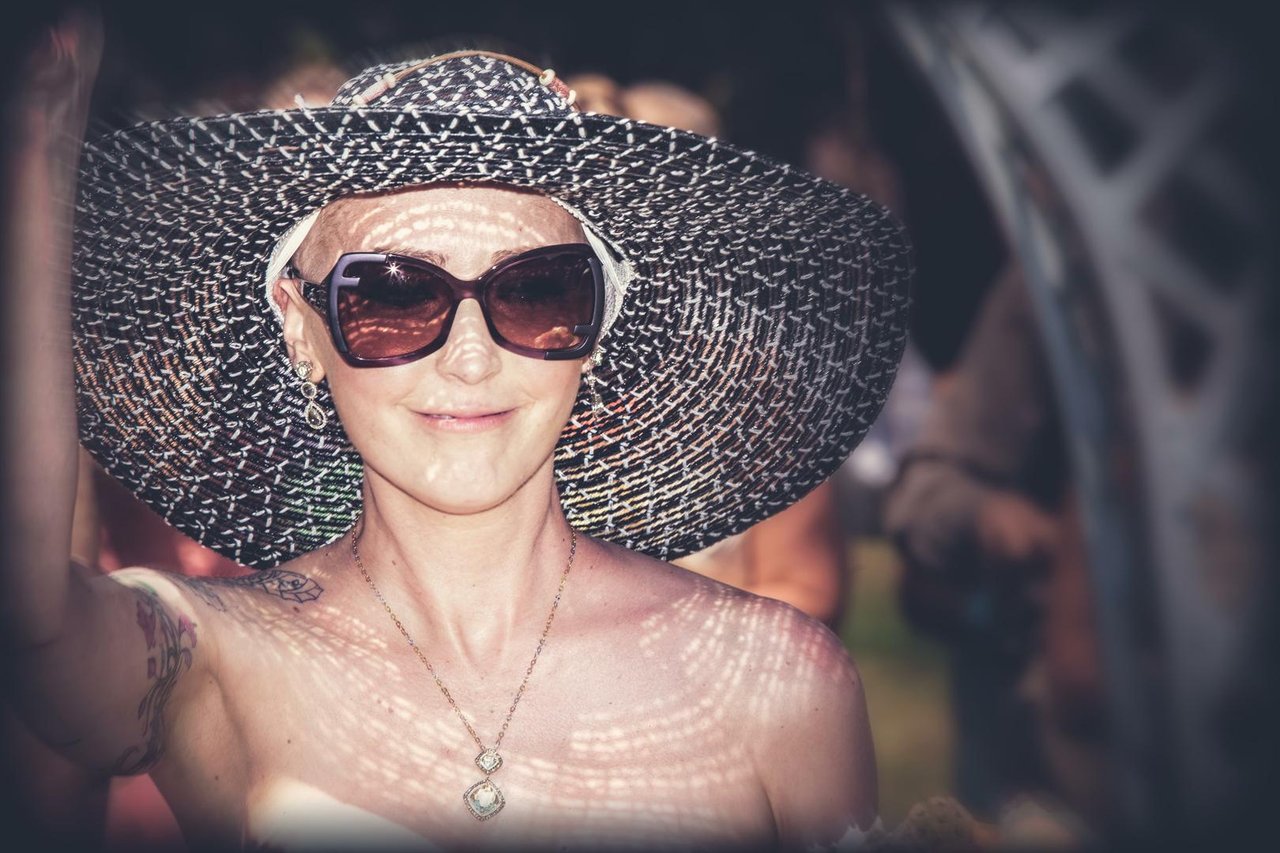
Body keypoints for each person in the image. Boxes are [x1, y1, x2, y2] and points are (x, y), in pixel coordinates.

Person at [2, 15, 912, 852]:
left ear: (600, 321)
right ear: (297, 324)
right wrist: (37, 146)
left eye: (537, 290)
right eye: (394, 295)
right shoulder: (218, 653)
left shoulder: (782, 683)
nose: (471, 358)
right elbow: (33, 621)